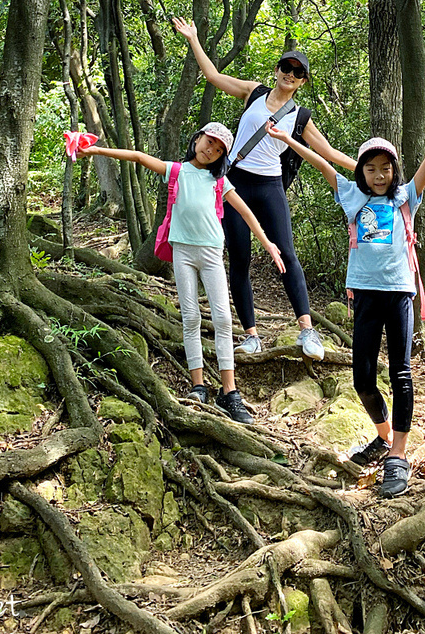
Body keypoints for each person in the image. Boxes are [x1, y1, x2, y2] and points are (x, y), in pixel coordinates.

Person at [267, 99, 425, 496]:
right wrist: (288, 139)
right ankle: (382, 435)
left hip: (398, 293)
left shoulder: (405, 199)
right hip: (363, 294)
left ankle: (398, 454)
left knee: (401, 374)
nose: (379, 175)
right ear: (361, 171)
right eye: (371, 168)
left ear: (394, 171)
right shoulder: (352, 197)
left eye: (386, 168)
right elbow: (323, 164)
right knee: (362, 378)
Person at [171, 17, 356, 360]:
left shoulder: (300, 116)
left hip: (270, 188)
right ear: (277, 69)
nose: (290, 74)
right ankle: (251, 335)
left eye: (298, 72)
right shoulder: (254, 93)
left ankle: (307, 331)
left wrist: (366, 170)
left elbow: (327, 153)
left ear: (303, 82)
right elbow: (213, 76)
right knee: (239, 260)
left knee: (286, 254)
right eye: (287, 67)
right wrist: (194, 38)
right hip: (235, 183)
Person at [77, 122, 285, 424]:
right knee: (190, 317)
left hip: (212, 253)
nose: (210, 149)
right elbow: (137, 156)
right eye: (208, 141)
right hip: (183, 252)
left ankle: (230, 392)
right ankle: (198, 385)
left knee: (224, 319)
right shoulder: (176, 171)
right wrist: (95, 150)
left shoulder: (220, 182)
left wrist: (268, 242)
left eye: (217, 149)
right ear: (197, 138)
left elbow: (244, 211)